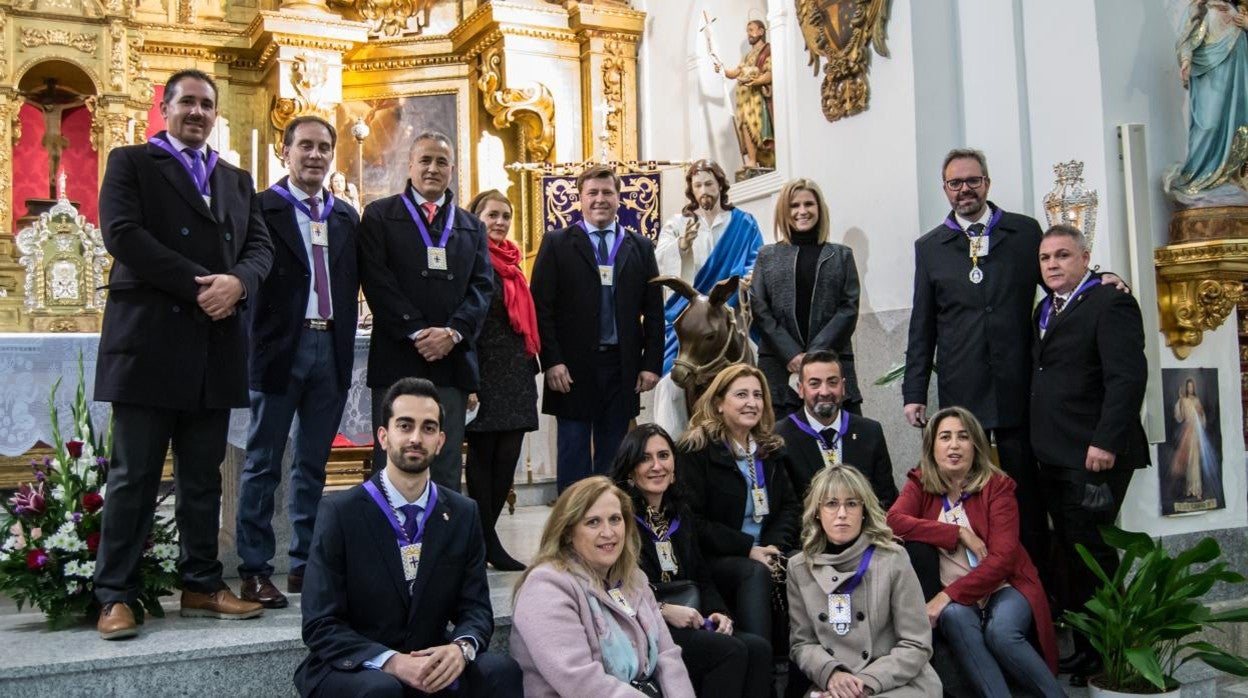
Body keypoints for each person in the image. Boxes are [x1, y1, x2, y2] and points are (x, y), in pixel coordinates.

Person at [92, 69, 273, 639]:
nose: (197, 113)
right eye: (187, 103)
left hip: (213, 347)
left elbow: (260, 246)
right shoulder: (131, 163)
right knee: (134, 476)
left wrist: (239, 283)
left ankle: (200, 584)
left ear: (216, 115)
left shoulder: (237, 180)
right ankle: (115, 594)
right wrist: (202, 284)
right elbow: (121, 233)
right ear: (164, 108)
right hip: (149, 341)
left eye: (206, 105)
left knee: (203, 478)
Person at [294, 377, 523, 697]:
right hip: (357, 667)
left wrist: (460, 649)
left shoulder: (461, 513)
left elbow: (476, 609)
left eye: (428, 428)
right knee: (382, 691)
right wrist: (391, 662)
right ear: (383, 436)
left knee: (500, 671)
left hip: (429, 657)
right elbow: (320, 624)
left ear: (441, 441)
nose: (416, 437)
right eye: (405, 425)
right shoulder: (340, 512)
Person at [901, 148, 1050, 575]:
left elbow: (1058, 283)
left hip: (1019, 384)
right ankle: (977, 576)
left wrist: (1099, 279)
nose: (964, 189)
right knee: (967, 491)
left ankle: (1035, 581)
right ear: (945, 189)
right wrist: (914, 393)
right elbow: (922, 325)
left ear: (987, 182)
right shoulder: (930, 247)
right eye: (955, 183)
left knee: (1025, 489)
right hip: (962, 386)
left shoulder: (1023, 233)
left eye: (972, 181)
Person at [236, 115, 360, 608]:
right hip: (277, 348)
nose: (315, 155)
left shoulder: (346, 217)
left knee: (313, 463)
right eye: (304, 146)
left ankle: (304, 563)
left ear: (333, 155)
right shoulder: (262, 208)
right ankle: (254, 569)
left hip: (330, 348)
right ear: (284, 151)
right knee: (263, 462)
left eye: (323, 147)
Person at [1030, 225, 1148, 684]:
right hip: (1056, 454)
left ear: (1085, 258)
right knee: (1071, 554)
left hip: (1093, 454)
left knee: (1094, 555)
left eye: (1063, 255)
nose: (1053, 264)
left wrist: (1105, 441)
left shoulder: (1110, 301)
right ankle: (1084, 649)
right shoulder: (1045, 308)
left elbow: (1126, 378)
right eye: (1045, 258)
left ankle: (1108, 655)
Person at [887, 406, 1062, 698]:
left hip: (1004, 585)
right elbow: (893, 521)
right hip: (958, 597)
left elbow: (1003, 560)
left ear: (975, 445)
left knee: (1001, 633)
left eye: (963, 437)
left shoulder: (998, 486)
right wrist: (958, 533)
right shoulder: (920, 482)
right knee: (954, 617)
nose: (954, 445)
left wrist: (945, 596)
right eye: (945, 437)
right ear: (932, 446)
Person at [358, 130, 493, 491]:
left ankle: (441, 546)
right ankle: (390, 544)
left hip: (452, 361)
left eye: (441, 162)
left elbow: (482, 288)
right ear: (410, 165)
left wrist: (452, 333)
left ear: (452, 170)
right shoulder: (380, 216)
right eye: (425, 160)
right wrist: (418, 331)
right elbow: (377, 281)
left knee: (445, 462)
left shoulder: (472, 226)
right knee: (394, 458)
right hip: (398, 356)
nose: (433, 168)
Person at [610, 424, 772, 698]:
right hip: (644, 625)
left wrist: (719, 613)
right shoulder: (617, 519)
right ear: (629, 470)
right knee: (728, 651)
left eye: (664, 456)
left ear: (674, 466)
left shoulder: (680, 513)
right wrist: (662, 610)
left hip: (689, 618)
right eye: (645, 458)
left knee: (758, 648)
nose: (656, 466)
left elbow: (701, 575)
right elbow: (613, 587)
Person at [530, 164, 664, 492]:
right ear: (580, 199)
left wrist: (650, 364)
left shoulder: (641, 246)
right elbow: (541, 309)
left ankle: (608, 525)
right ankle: (571, 530)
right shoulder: (557, 243)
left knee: (615, 456)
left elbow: (655, 312)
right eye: (592, 193)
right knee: (573, 453)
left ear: (619, 198)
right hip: (571, 368)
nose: (600, 199)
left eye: (607, 192)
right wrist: (552, 361)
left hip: (622, 367)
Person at [510, 476, 696, 697]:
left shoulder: (633, 578)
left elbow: (667, 655)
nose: (608, 533)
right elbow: (581, 681)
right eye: (593, 522)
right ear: (568, 532)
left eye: (615, 519)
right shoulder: (546, 587)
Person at [788, 466, 941, 698]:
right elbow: (802, 643)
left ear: (864, 511)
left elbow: (916, 644)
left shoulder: (892, 558)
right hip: (835, 685)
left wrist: (864, 683)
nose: (842, 513)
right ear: (817, 511)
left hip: (897, 682)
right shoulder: (799, 567)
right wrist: (833, 674)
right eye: (831, 504)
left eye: (851, 504)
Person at [678, 363, 800, 651]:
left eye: (758, 395)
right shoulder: (696, 450)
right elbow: (693, 519)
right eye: (741, 395)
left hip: (767, 550)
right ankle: (765, 663)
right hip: (718, 556)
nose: (752, 403)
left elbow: (790, 507)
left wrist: (773, 548)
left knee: (807, 563)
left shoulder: (771, 450)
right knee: (753, 571)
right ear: (719, 403)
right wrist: (748, 548)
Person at [652, 160, 763, 435]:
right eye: (698, 184)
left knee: (757, 362)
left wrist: (747, 279)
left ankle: (755, 441)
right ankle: (672, 445)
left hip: (729, 313)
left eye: (709, 183)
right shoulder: (678, 224)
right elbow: (658, 262)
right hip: (690, 319)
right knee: (670, 384)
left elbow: (757, 259)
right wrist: (681, 247)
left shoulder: (744, 223)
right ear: (691, 189)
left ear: (721, 185)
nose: (704, 190)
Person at [463, 189, 539, 571]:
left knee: (507, 457)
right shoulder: (469, 258)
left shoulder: (512, 261)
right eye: (492, 215)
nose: (500, 222)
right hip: (484, 369)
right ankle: (486, 542)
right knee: (482, 458)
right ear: (475, 217)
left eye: (505, 216)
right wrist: (469, 379)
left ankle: (483, 538)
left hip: (515, 371)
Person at [751, 178, 862, 418]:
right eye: (794, 205)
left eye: (809, 204)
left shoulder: (841, 255)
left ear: (819, 209)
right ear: (784, 211)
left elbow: (848, 309)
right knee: (781, 446)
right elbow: (760, 310)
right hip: (779, 368)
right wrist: (790, 353)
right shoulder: (767, 256)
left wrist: (814, 357)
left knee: (846, 443)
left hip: (832, 363)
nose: (802, 211)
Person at [776, 351, 896, 507]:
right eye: (815, 384)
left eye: (832, 382)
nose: (825, 392)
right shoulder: (781, 437)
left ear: (843, 387)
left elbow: (886, 497)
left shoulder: (870, 432)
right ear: (800, 389)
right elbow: (784, 507)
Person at [1168, 0, 1248, 202]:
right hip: (1209, 75)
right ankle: (1199, 178)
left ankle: (1231, 177)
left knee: (1238, 125)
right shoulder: (1198, 8)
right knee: (1209, 125)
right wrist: (1185, 61)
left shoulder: (1238, 10)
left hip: (1238, 77)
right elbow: (1185, 38)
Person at [713, 20, 775, 170]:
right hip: (745, 100)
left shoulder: (768, 50)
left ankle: (768, 157)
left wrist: (756, 81)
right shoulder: (747, 57)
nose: (749, 33)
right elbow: (735, 73)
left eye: (752, 30)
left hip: (758, 99)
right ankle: (752, 160)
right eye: (748, 31)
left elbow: (769, 73)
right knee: (745, 126)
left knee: (759, 128)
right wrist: (722, 68)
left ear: (761, 31)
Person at [1172, 378, 1210, 500]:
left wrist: (1200, 415)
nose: (1190, 389)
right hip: (1187, 432)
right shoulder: (1185, 400)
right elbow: (1180, 416)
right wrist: (1181, 400)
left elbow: (1202, 416)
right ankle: (1189, 489)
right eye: (1188, 387)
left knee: (1195, 461)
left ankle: (1197, 489)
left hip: (1196, 433)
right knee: (1188, 461)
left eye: (1191, 386)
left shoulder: (1196, 400)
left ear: (1193, 388)